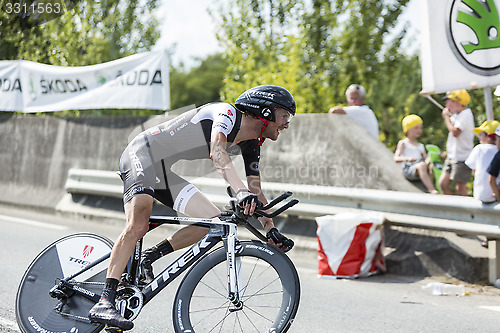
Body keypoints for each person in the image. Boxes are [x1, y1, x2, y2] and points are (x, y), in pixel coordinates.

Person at [88, 85, 296, 330]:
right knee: (138, 224)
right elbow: (217, 152)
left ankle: (148, 257)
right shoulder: (226, 114)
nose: (286, 124)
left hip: (162, 172)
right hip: (141, 154)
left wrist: (270, 228)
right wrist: (239, 193)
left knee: (212, 221)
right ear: (266, 111)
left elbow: (256, 190)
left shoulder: (252, 144)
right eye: (285, 116)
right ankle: (105, 300)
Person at [439, 89, 475, 196]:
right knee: (443, 183)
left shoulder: (466, 114)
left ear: (457, 102)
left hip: (462, 157)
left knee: (460, 188)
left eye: (449, 101)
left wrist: (446, 117)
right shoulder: (457, 115)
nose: (446, 105)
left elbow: (455, 132)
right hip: (452, 156)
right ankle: (452, 208)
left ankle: (467, 210)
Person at [394, 115, 438, 194]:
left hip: (420, 167)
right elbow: (396, 158)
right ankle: (431, 189)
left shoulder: (420, 145)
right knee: (421, 165)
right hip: (409, 168)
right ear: (408, 129)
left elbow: (426, 158)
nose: (419, 130)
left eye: (420, 128)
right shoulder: (404, 143)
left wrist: (429, 160)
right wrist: (407, 158)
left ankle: (433, 185)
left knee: (430, 166)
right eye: (416, 128)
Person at [465, 120, 500, 203]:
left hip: (479, 195)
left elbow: (474, 171)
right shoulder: (497, 151)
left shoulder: (479, 148)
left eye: (481, 134)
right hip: (495, 195)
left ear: (489, 137)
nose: (479, 138)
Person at [487, 124, 500, 201]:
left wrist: (498, 198)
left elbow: (491, 180)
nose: (495, 143)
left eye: (496, 139)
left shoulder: (498, 155)